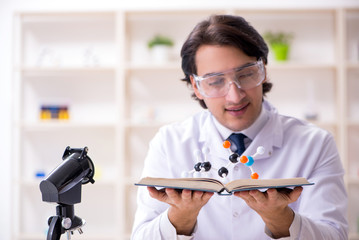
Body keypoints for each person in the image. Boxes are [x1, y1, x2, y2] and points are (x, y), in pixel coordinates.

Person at [131, 14, 348, 240]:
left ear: (263, 70)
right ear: (196, 86)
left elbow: (335, 235)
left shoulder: (315, 143)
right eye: (215, 81)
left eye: (245, 74)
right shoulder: (168, 143)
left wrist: (281, 220)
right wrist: (180, 218)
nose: (234, 96)